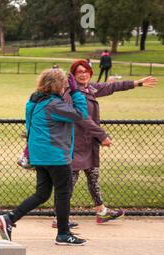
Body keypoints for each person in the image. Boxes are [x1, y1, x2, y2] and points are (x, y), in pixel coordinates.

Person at [52, 60, 157, 227]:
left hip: (88, 142)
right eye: (79, 71)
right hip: (74, 143)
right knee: (69, 181)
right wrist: (101, 135)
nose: (83, 74)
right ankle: (59, 218)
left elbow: (112, 87)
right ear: (73, 74)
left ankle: (101, 211)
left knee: (93, 177)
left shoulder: (90, 88)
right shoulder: (71, 93)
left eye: (86, 71)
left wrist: (137, 83)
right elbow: (82, 118)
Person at [0, 68, 88, 246]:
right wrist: (76, 92)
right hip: (56, 155)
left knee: (42, 194)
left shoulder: (34, 102)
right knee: (63, 193)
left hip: (40, 155)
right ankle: (63, 233)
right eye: (64, 85)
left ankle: (10, 217)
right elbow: (80, 115)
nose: (66, 88)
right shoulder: (54, 105)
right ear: (57, 85)